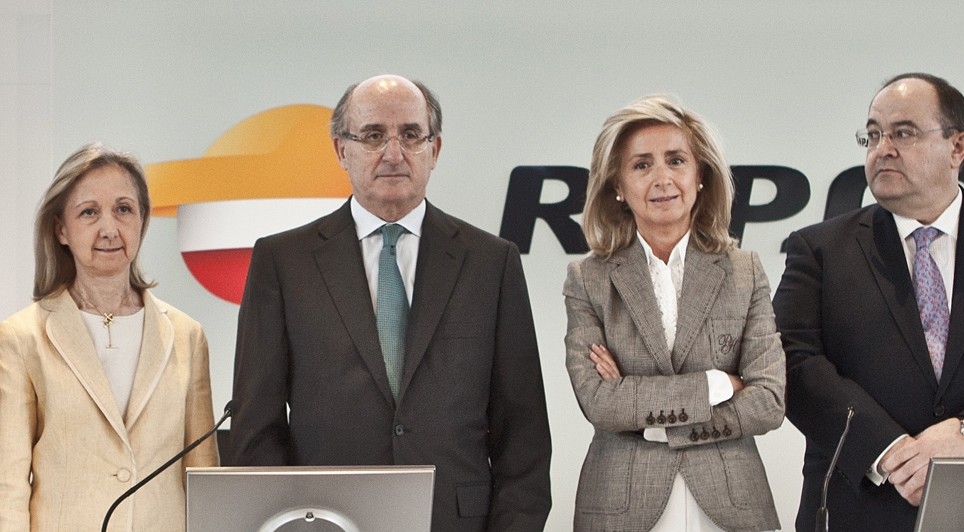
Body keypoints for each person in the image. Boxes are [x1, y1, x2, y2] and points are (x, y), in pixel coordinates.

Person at [229, 74, 552, 532]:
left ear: (434, 150)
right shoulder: (282, 261)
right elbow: (255, 429)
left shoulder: (491, 262)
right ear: (342, 150)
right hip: (327, 524)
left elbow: (524, 435)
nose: (394, 153)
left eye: (411, 135)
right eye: (374, 135)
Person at [774, 73, 964, 531]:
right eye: (873, 135)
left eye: (903, 133)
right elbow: (792, 361)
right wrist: (887, 452)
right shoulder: (819, 250)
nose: (882, 148)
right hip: (862, 508)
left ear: (958, 147)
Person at [564, 94, 785, 532]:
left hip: (732, 507)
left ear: (700, 175)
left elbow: (768, 401)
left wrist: (653, 422)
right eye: (642, 165)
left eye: (676, 160)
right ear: (618, 185)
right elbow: (600, 402)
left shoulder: (745, 271)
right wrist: (718, 383)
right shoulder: (588, 279)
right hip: (620, 507)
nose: (662, 178)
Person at [0, 144, 218, 531]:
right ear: (61, 229)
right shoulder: (21, 338)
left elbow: (203, 480)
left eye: (123, 209)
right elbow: (8, 486)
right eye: (89, 212)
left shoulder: (187, 336)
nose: (109, 229)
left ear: (142, 220)